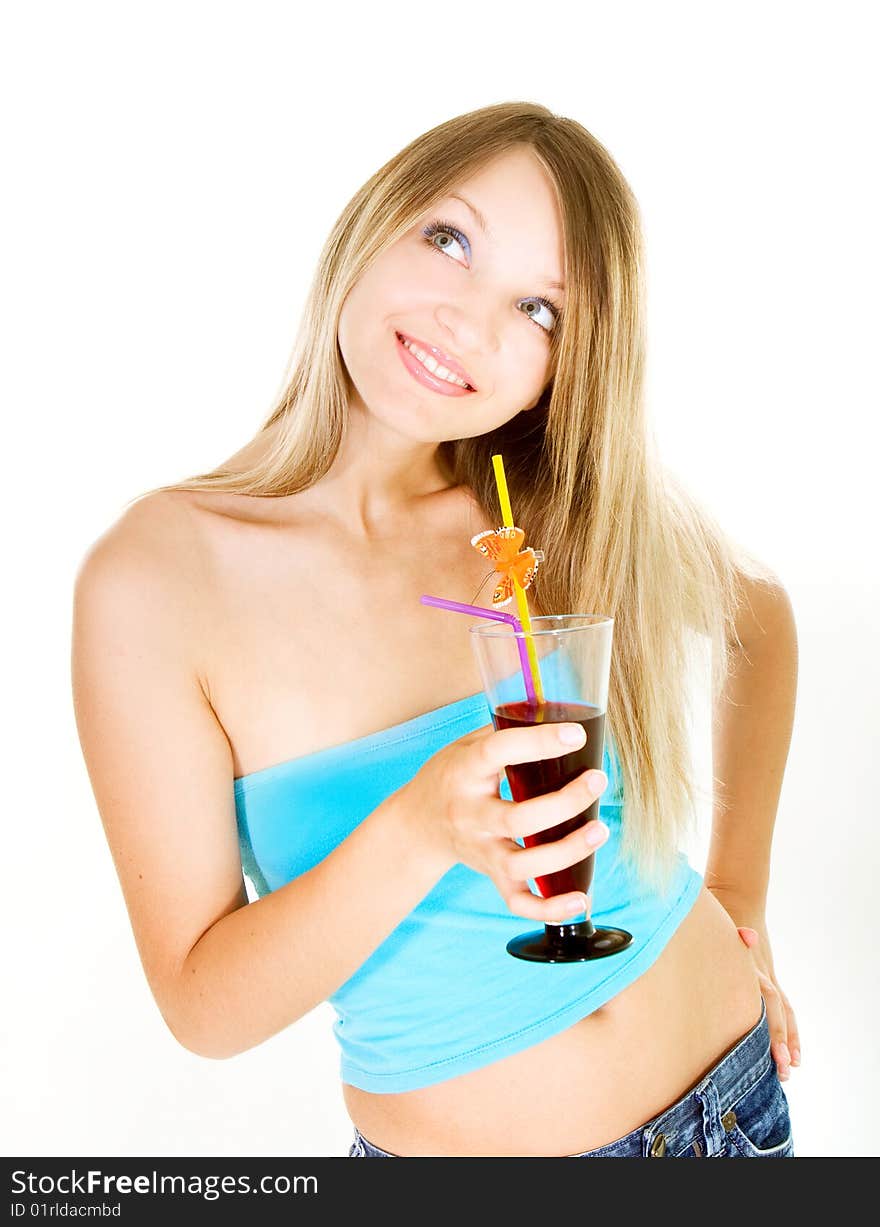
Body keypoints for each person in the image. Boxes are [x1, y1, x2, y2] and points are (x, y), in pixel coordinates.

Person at [71, 101, 800, 1158]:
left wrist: (740, 896)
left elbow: (757, 618)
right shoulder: (155, 579)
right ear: (375, 222)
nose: (469, 321)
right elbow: (202, 1007)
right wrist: (420, 826)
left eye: (540, 310)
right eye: (449, 240)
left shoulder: (544, 511)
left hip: (732, 1107)